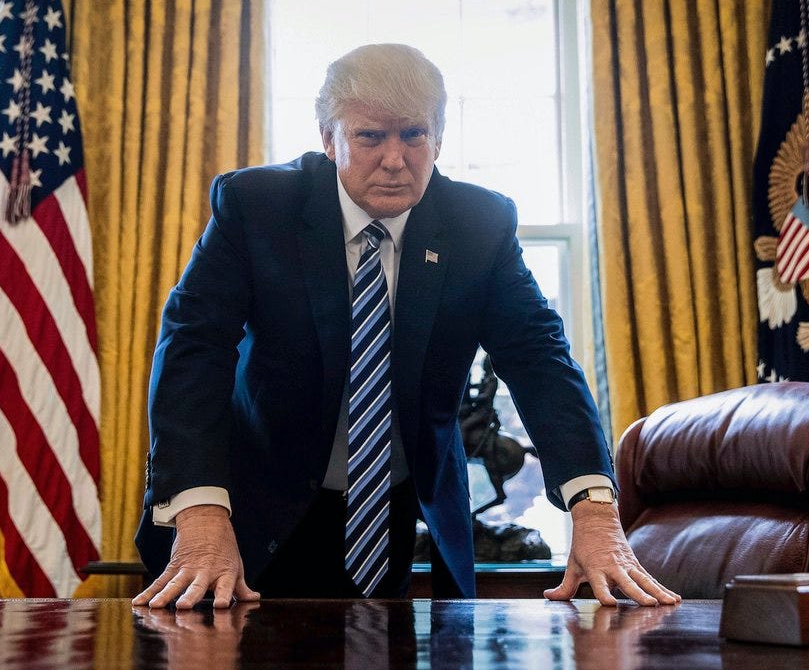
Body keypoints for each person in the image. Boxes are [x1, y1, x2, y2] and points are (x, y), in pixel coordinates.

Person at [132, 43, 680, 609]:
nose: (395, 158)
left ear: (438, 139)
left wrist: (594, 510)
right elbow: (193, 347)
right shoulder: (258, 206)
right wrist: (199, 511)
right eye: (371, 137)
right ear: (329, 138)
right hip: (248, 514)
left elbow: (540, 359)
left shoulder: (478, 225)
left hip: (390, 515)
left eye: (414, 135)